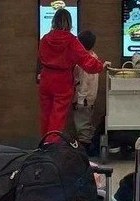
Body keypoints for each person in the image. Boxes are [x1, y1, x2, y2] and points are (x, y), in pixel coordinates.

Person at [37, 9, 109, 141]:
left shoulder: (45, 39)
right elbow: (86, 60)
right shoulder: (71, 41)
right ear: (69, 23)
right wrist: (100, 66)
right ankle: (51, 145)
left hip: (46, 78)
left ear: (54, 21)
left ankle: (44, 143)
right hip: (62, 81)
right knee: (57, 117)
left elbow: (40, 57)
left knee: (45, 115)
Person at [71, 30, 100, 152]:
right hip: (89, 97)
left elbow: (84, 83)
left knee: (82, 125)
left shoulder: (83, 62)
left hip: (84, 99)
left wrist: (80, 100)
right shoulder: (93, 57)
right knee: (86, 123)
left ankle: (85, 151)